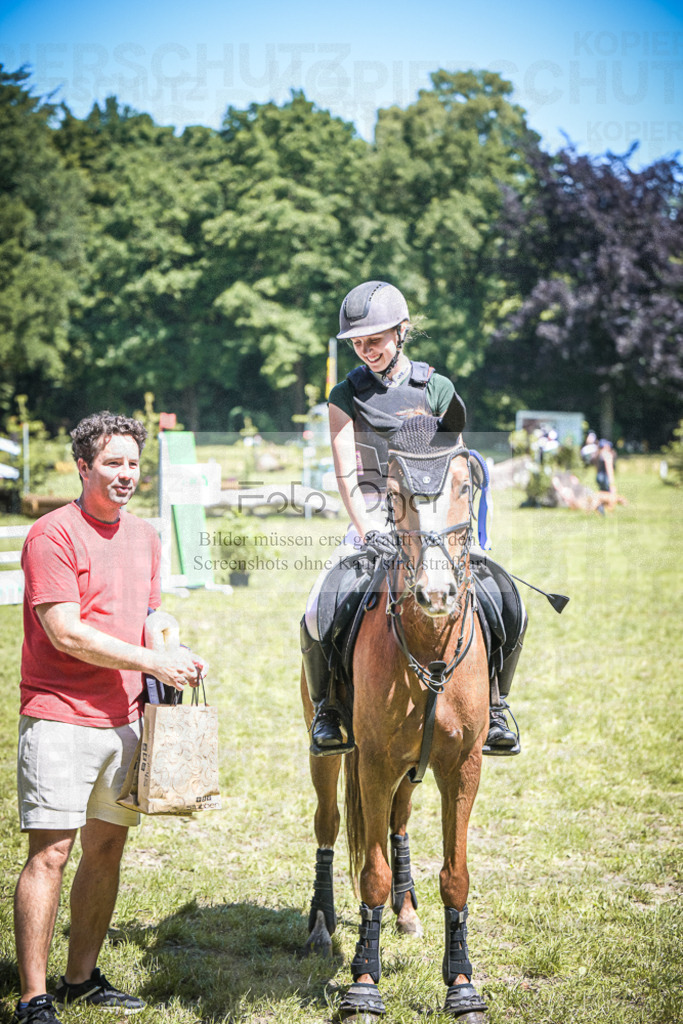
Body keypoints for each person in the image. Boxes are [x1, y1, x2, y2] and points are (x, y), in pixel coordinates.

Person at [14, 412, 204, 1024]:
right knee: (51, 854)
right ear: (82, 466)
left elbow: (146, 613)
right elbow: (66, 632)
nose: (126, 475)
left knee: (106, 851)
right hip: (60, 717)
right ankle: (33, 998)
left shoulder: (145, 536)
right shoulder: (52, 535)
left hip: (125, 720)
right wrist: (153, 658)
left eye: (133, 464)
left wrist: (171, 647)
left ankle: (81, 978)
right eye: (113, 463)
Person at [301, 280, 522, 756]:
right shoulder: (345, 394)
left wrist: (464, 532)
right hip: (375, 513)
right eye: (357, 343)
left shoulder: (436, 386)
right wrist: (369, 530)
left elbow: (457, 465)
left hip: (436, 514)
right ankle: (329, 709)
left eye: (374, 340)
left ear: (401, 332)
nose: (365, 350)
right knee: (320, 605)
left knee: (505, 598)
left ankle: (498, 706)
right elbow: (346, 471)